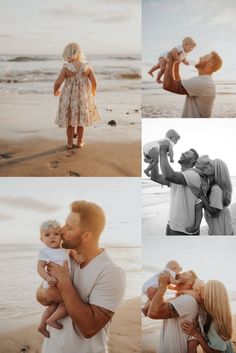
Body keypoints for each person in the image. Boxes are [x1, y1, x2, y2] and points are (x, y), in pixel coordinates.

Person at [36, 201, 126, 353]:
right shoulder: (66, 258)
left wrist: (64, 283)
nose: (61, 230)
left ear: (86, 236)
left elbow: (89, 328)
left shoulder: (111, 273)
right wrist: (49, 289)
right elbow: (41, 297)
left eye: (68, 227)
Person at [37, 220, 84, 337]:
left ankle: (42, 326)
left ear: (61, 237)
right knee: (66, 303)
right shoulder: (44, 252)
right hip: (53, 283)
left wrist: (77, 257)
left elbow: (72, 251)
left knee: (53, 306)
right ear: (41, 239)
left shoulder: (65, 249)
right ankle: (51, 320)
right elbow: (40, 268)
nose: (52, 237)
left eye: (56, 234)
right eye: (47, 235)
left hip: (61, 284)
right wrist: (47, 278)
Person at [54, 42, 101, 149]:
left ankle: (70, 143)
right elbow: (95, 82)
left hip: (69, 98)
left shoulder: (66, 67)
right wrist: (93, 92)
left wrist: (55, 90)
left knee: (70, 121)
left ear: (67, 53)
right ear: (80, 53)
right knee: (81, 121)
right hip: (83, 98)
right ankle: (80, 142)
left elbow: (58, 82)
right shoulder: (86, 66)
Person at [150, 141, 201, 235]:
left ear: (194, 160)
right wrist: (154, 160)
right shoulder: (181, 176)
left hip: (185, 230)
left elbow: (169, 175)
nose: (182, 153)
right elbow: (155, 177)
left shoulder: (193, 175)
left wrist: (162, 153)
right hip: (171, 225)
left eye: (187, 153)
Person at [147, 270, 199, 353]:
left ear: (191, 282)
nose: (178, 274)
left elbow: (153, 313)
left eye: (184, 274)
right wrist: (158, 285)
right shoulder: (175, 299)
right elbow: (147, 310)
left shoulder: (187, 299)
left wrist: (163, 285)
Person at [163, 50, 223, 118]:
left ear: (209, 65)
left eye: (204, 57)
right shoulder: (205, 81)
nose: (200, 57)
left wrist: (170, 60)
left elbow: (167, 85)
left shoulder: (203, 82)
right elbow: (178, 83)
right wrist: (177, 63)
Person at [182, 280, 233, 353]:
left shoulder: (216, 324)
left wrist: (196, 333)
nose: (200, 292)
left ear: (211, 297)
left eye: (204, 290)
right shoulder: (216, 315)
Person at [191, 159, 233, 235]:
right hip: (220, 223)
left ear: (216, 171)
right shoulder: (212, 185)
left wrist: (201, 196)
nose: (207, 167)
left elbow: (214, 213)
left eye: (210, 166)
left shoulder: (216, 188)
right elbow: (198, 172)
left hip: (219, 226)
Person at [186, 155, 211, 234]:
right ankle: (196, 225)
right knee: (198, 208)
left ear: (204, 167)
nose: (195, 165)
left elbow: (195, 171)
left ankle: (196, 226)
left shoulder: (201, 171)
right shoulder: (200, 171)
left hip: (203, 192)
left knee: (198, 207)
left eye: (198, 163)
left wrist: (188, 169)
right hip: (203, 191)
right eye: (196, 162)